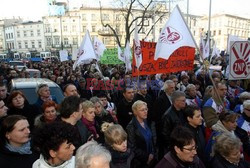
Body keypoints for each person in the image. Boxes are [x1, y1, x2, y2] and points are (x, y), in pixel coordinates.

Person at [126, 100, 156, 168]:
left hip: (152, 156)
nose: (145, 112)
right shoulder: (131, 127)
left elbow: (153, 139)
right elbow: (132, 147)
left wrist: (153, 153)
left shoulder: (148, 122)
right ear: (135, 112)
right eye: (142, 110)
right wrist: (147, 157)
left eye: (146, 109)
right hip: (140, 162)